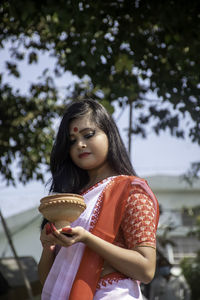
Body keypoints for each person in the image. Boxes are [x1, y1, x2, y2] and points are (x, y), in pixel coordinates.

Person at [38, 99, 160, 300]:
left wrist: (87, 238)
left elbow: (146, 269)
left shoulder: (131, 191)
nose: (80, 144)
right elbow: (48, 282)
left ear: (109, 135)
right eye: (72, 141)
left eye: (88, 134)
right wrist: (47, 248)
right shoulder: (70, 201)